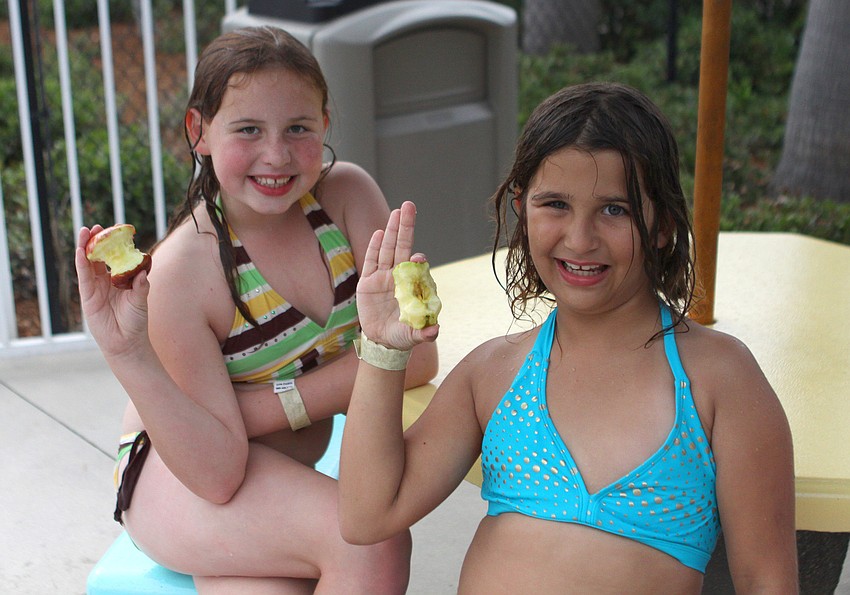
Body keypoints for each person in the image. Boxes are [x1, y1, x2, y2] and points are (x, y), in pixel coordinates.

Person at [339, 82, 798, 593]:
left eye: (615, 210)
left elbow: (767, 581)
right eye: (555, 204)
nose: (580, 239)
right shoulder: (494, 372)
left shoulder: (719, 378)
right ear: (522, 209)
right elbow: (367, 516)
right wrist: (382, 350)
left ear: (663, 225)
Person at [75, 26, 437, 593]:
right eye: (248, 129)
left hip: (273, 479)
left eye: (298, 128)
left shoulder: (345, 199)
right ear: (199, 131)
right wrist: (353, 374)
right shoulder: (187, 271)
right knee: (371, 540)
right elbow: (218, 471)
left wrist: (249, 411)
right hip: (179, 479)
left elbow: (416, 356)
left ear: (325, 123)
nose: (277, 155)